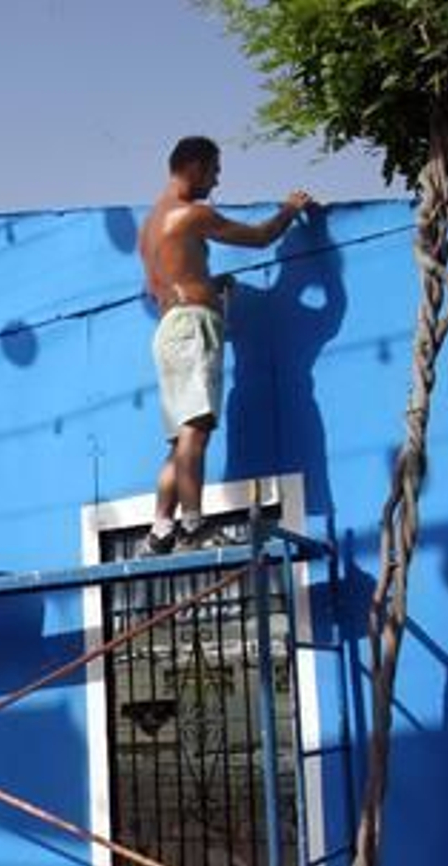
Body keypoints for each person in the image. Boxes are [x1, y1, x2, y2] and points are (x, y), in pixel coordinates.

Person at [138, 136, 313, 554]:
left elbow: (163, 285)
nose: (216, 181)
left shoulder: (150, 226)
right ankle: (194, 527)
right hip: (192, 328)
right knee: (196, 431)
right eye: (214, 171)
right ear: (194, 166)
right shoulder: (190, 214)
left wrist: (208, 286)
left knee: (180, 438)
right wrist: (290, 209)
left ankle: (161, 530)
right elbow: (258, 238)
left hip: (168, 330)